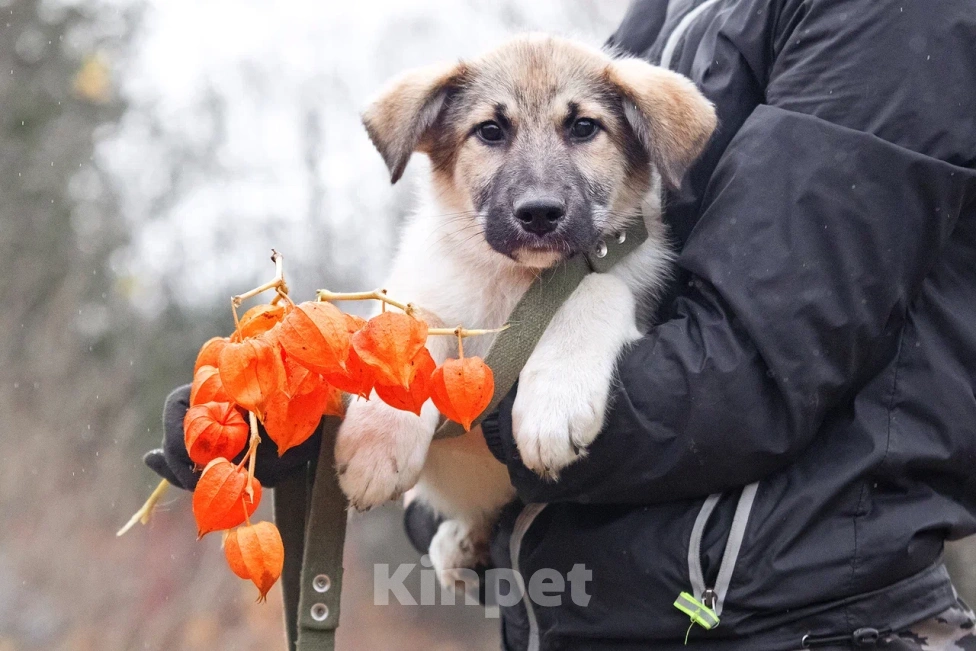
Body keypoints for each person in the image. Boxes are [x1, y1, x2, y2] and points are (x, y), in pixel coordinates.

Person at [146, 0, 976, 648]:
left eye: (581, 130)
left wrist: (455, 406)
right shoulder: (666, 14)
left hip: (801, 620)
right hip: (581, 619)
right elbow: (430, 398)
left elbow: (746, 373)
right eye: (493, 134)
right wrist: (300, 419)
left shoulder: (888, 24)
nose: (539, 186)